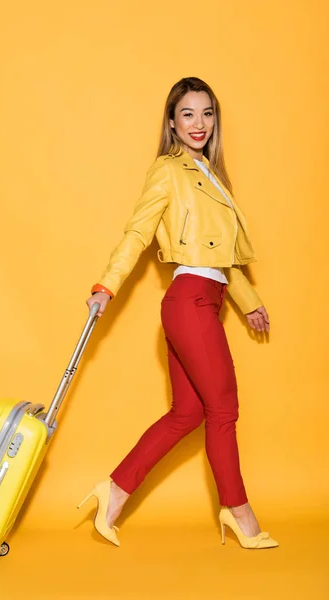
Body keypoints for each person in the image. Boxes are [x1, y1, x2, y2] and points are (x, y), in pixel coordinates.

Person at [77, 77, 279, 550]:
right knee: (223, 409)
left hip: (204, 298)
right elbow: (137, 232)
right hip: (188, 301)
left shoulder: (211, 173)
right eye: (188, 113)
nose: (199, 123)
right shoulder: (168, 170)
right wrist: (106, 285)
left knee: (187, 413)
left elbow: (222, 260)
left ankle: (115, 492)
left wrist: (250, 303)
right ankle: (238, 510)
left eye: (207, 113)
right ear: (171, 121)